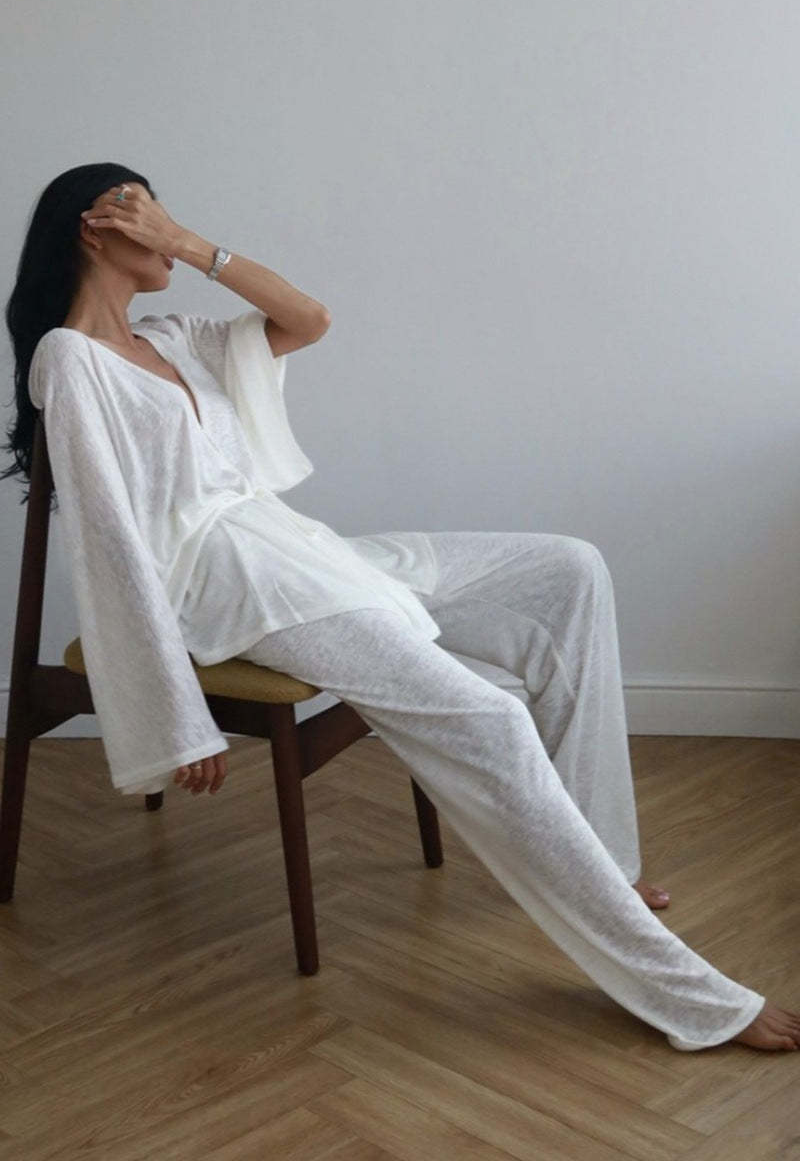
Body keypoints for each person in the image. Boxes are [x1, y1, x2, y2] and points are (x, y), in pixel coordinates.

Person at [3, 163, 798, 1054]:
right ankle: (683, 994)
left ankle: (603, 870)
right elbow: (110, 541)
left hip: (301, 552)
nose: (169, 231)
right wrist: (173, 714)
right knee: (490, 717)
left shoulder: (178, 336)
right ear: (97, 226)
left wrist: (185, 242)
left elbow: (309, 319)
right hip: (232, 583)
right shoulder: (69, 360)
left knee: (567, 570)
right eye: (149, 210)